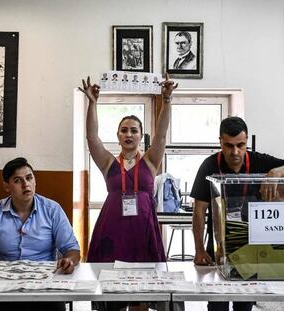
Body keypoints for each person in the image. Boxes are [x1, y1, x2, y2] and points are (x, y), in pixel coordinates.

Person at [79, 75, 177, 311]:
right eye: (124, 130)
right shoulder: (108, 163)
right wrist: (92, 103)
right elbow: (92, 138)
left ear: (140, 135)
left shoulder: (151, 161)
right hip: (112, 230)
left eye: (134, 130)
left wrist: (167, 99)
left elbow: (162, 135)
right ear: (118, 136)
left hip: (142, 230)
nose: (129, 134)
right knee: (111, 294)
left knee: (141, 295)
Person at [191, 116, 284, 311]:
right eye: (229, 145)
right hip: (219, 244)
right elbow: (199, 209)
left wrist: (277, 171)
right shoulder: (209, 165)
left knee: (245, 303)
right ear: (220, 142)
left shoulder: (259, 161)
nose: (235, 152)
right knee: (217, 304)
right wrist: (199, 249)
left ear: (247, 141)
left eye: (240, 145)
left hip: (250, 247)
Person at [0, 157, 80, 311]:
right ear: (7, 186)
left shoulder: (52, 209)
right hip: (2, 285)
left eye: (29, 178)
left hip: (44, 286)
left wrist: (69, 261)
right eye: (18, 180)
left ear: (35, 181)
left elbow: (72, 248)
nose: (26, 184)